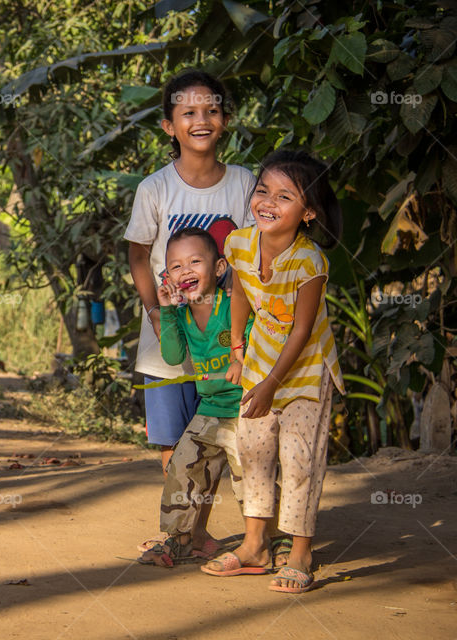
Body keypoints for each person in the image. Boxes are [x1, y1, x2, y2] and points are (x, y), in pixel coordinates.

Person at [201, 150, 344, 594]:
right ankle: (255, 545)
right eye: (263, 190)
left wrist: (271, 384)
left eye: (285, 196)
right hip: (258, 364)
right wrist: (239, 353)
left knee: (299, 462)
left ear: (308, 213)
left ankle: (300, 552)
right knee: (255, 454)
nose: (268, 201)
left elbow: (302, 331)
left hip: (304, 374)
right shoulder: (239, 244)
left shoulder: (310, 262)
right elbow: (240, 296)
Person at [123, 69, 255, 550]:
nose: (202, 120)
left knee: (217, 434)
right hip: (168, 336)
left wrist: (240, 328)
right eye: (188, 113)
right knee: (171, 440)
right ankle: (183, 529)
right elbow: (139, 253)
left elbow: (249, 256)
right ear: (169, 126)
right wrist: (156, 313)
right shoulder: (154, 188)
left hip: (224, 339)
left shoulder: (243, 184)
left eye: (212, 110)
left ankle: (197, 532)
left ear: (226, 120)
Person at [138, 228, 253, 566]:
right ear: (167, 277)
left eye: (194, 261)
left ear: (219, 268)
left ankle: (267, 541)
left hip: (246, 409)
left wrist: (239, 358)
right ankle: (180, 539)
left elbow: (252, 342)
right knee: (182, 467)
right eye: (175, 266)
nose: (185, 270)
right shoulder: (183, 314)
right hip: (210, 409)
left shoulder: (233, 303)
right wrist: (167, 310)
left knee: (251, 479)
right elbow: (173, 356)